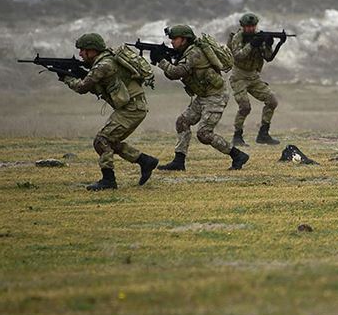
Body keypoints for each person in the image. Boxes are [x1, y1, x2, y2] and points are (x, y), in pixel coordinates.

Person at [61, 33, 158, 190]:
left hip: (132, 109)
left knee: (101, 141)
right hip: (133, 107)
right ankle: (145, 161)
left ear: (92, 51)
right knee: (110, 141)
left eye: (82, 50)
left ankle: (108, 181)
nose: (80, 54)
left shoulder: (103, 65)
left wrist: (66, 78)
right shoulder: (106, 60)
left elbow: (82, 87)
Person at [153, 24, 249, 171]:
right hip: (204, 96)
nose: (171, 41)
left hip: (216, 96)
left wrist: (162, 61)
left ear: (184, 39)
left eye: (174, 38)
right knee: (182, 122)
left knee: (204, 134)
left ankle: (237, 155)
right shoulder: (186, 52)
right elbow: (174, 74)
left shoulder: (194, 53)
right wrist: (165, 59)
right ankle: (179, 162)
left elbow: (176, 72)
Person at [227, 12, 285, 146]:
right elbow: (238, 56)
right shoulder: (237, 38)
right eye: (247, 26)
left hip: (253, 76)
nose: (250, 29)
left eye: (253, 26)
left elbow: (268, 57)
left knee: (272, 101)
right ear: (242, 26)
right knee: (245, 107)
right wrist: (252, 44)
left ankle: (263, 134)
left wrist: (270, 44)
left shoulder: (259, 37)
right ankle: (237, 136)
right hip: (239, 77)